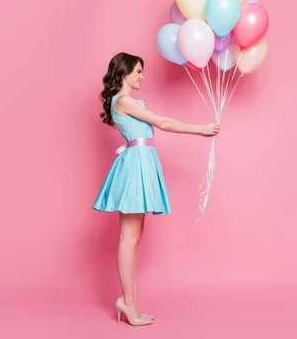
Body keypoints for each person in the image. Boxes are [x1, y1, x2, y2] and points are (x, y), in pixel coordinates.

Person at [92, 52, 219, 326]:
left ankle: (132, 301)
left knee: (135, 237)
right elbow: (162, 122)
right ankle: (127, 300)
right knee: (128, 237)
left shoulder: (129, 101)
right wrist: (200, 129)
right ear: (123, 73)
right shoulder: (123, 100)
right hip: (135, 165)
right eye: (137, 71)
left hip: (142, 163)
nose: (142, 77)